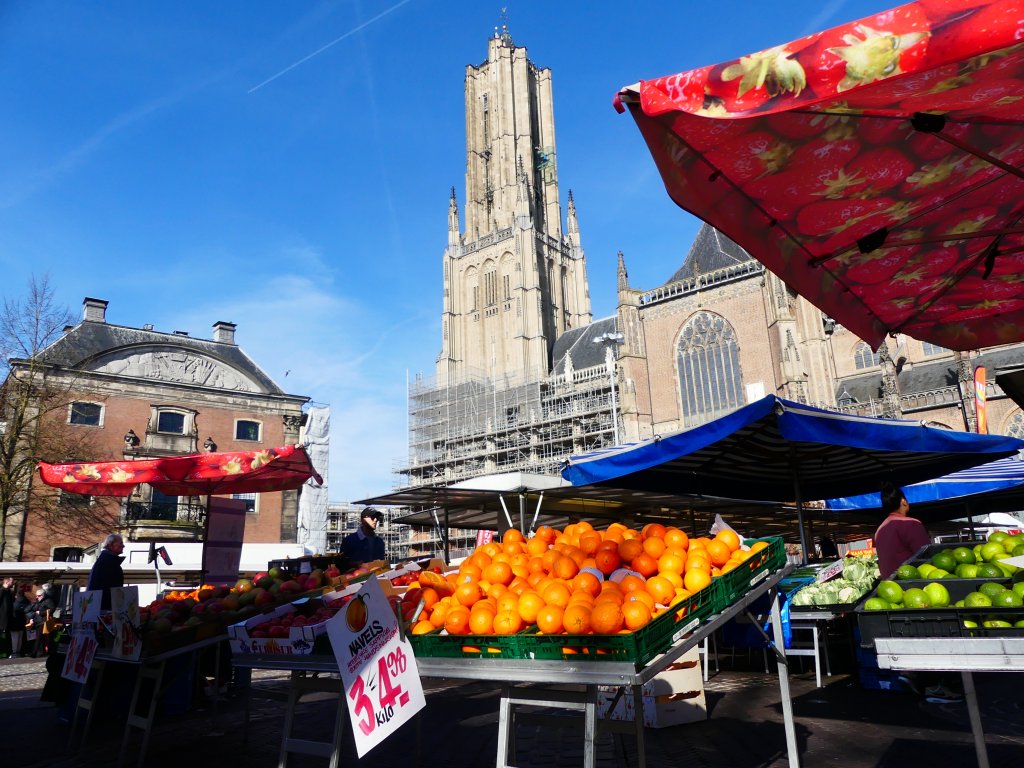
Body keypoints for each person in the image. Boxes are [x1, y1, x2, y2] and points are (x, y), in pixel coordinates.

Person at [873, 483, 960, 703]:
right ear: (904, 501)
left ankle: (911, 674)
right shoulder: (911, 524)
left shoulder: (880, 529)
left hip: (892, 594)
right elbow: (927, 560)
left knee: (910, 636)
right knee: (934, 634)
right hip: (917, 593)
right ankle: (935, 687)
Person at [873, 483, 929, 579]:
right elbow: (927, 557)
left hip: (889, 589)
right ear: (903, 501)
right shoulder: (911, 524)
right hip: (912, 587)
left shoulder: (878, 531)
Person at [87, 533, 125, 610]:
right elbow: (112, 587)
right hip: (105, 607)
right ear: (110, 545)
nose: (123, 546)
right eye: (120, 543)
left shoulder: (106, 560)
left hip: (101, 605)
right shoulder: (108, 562)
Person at [26, 585, 56, 658]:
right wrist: (32, 617)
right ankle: (42, 652)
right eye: (37, 596)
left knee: (38, 638)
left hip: (44, 621)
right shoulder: (38, 601)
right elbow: (33, 609)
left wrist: (41, 612)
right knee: (41, 638)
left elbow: (52, 609)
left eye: (39, 596)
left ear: (43, 595)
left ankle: (34, 653)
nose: (37, 597)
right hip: (37, 621)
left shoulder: (48, 600)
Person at [11, 585, 31, 659]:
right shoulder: (27, 601)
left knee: (14, 637)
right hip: (23, 621)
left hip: (14, 622)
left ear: (16, 595)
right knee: (20, 637)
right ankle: (18, 651)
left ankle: (14, 652)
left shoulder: (14, 603)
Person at [0, 578, 15, 659]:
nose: (13, 583)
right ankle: (3, 653)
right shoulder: (2, 591)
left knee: (7, 636)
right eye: (12, 581)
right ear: (7, 582)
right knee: (3, 636)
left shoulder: (9, 592)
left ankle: (8, 652)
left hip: (8, 618)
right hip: (2, 619)